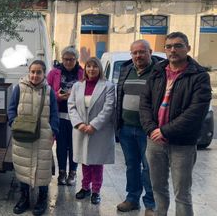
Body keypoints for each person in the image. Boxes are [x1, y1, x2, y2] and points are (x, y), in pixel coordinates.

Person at [140, 32, 212, 216]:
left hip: (182, 144)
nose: (173, 50)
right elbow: (145, 103)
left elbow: (196, 112)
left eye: (178, 46)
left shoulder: (199, 75)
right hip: (154, 141)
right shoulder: (157, 71)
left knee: (182, 193)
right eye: (169, 46)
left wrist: (165, 131)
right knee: (158, 188)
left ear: (188, 48)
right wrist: (151, 129)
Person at [116, 40, 162, 215]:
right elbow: (121, 95)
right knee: (131, 165)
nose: (138, 56)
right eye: (134, 53)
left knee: (149, 167)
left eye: (142, 52)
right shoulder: (127, 70)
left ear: (150, 52)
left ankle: (151, 204)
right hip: (127, 128)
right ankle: (132, 199)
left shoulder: (159, 72)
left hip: (148, 130)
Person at [8, 60, 59, 216]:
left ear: (44, 74)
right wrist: (13, 123)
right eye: (32, 72)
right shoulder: (19, 88)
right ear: (28, 72)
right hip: (22, 135)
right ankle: (24, 197)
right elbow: (11, 108)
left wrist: (53, 132)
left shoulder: (49, 91)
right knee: (23, 166)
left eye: (39, 72)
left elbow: (54, 114)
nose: (35, 75)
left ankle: (42, 198)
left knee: (43, 169)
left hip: (43, 136)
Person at [68, 57, 115, 205]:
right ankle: (84, 187)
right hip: (81, 129)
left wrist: (93, 125)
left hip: (99, 130)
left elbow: (109, 108)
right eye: (88, 66)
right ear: (85, 69)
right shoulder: (77, 86)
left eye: (95, 66)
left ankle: (96, 191)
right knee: (84, 160)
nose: (91, 69)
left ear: (99, 69)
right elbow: (71, 105)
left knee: (97, 162)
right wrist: (79, 124)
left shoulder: (108, 86)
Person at [47, 46, 83, 186]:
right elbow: (47, 91)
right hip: (59, 114)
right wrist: (57, 96)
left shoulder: (82, 73)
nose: (68, 62)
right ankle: (62, 172)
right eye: (66, 59)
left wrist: (73, 97)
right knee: (61, 145)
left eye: (72, 60)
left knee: (75, 146)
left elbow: (86, 91)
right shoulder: (54, 73)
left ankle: (72, 173)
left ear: (76, 60)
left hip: (76, 116)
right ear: (62, 59)